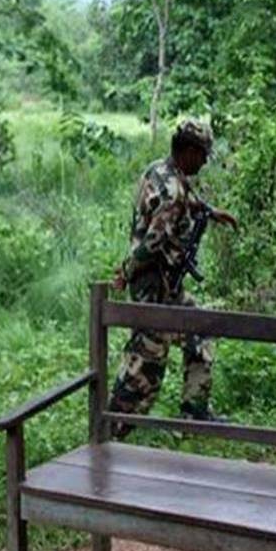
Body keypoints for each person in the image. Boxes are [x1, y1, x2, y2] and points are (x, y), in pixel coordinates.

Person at [108, 119, 238, 432]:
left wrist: (210, 211)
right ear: (189, 151)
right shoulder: (172, 194)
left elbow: (185, 198)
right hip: (153, 285)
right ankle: (111, 430)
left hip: (167, 286)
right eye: (202, 155)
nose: (204, 163)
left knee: (199, 331)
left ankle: (194, 410)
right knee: (145, 366)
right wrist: (125, 272)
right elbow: (153, 243)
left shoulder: (161, 170)